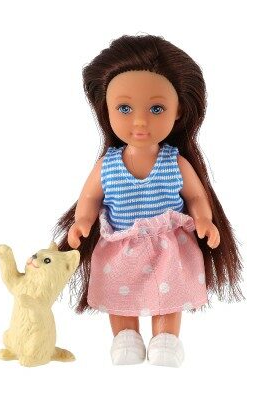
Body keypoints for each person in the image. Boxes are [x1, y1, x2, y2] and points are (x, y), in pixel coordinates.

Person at [53, 34, 242, 367]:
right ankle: (125, 335)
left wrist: (204, 219)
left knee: (168, 292)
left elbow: (195, 195)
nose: (140, 121)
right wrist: (82, 221)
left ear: (178, 110)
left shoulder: (175, 162)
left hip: (168, 247)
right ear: (107, 108)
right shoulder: (108, 165)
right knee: (118, 289)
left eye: (156, 109)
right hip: (120, 246)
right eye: (124, 108)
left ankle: (166, 338)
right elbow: (90, 197)